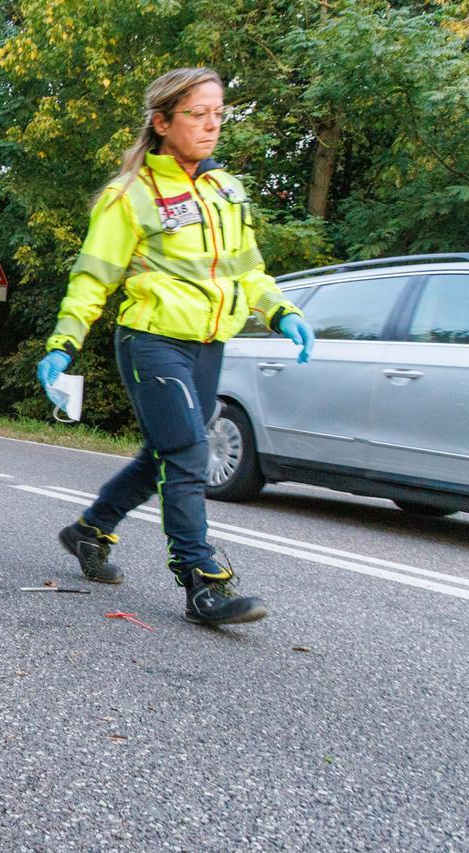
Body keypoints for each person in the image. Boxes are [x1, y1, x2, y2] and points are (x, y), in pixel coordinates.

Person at [36, 67, 315, 626]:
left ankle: (89, 530)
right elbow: (94, 277)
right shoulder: (130, 196)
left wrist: (280, 308)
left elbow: (247, 268)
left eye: (219, 113)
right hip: (151, 341)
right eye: (197, 114)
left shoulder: (225, 190)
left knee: (164, 450)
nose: (212, 125)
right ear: (162, 122)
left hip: (209, 343)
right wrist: (64, 342)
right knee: (188, 453)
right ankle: (202, 580)